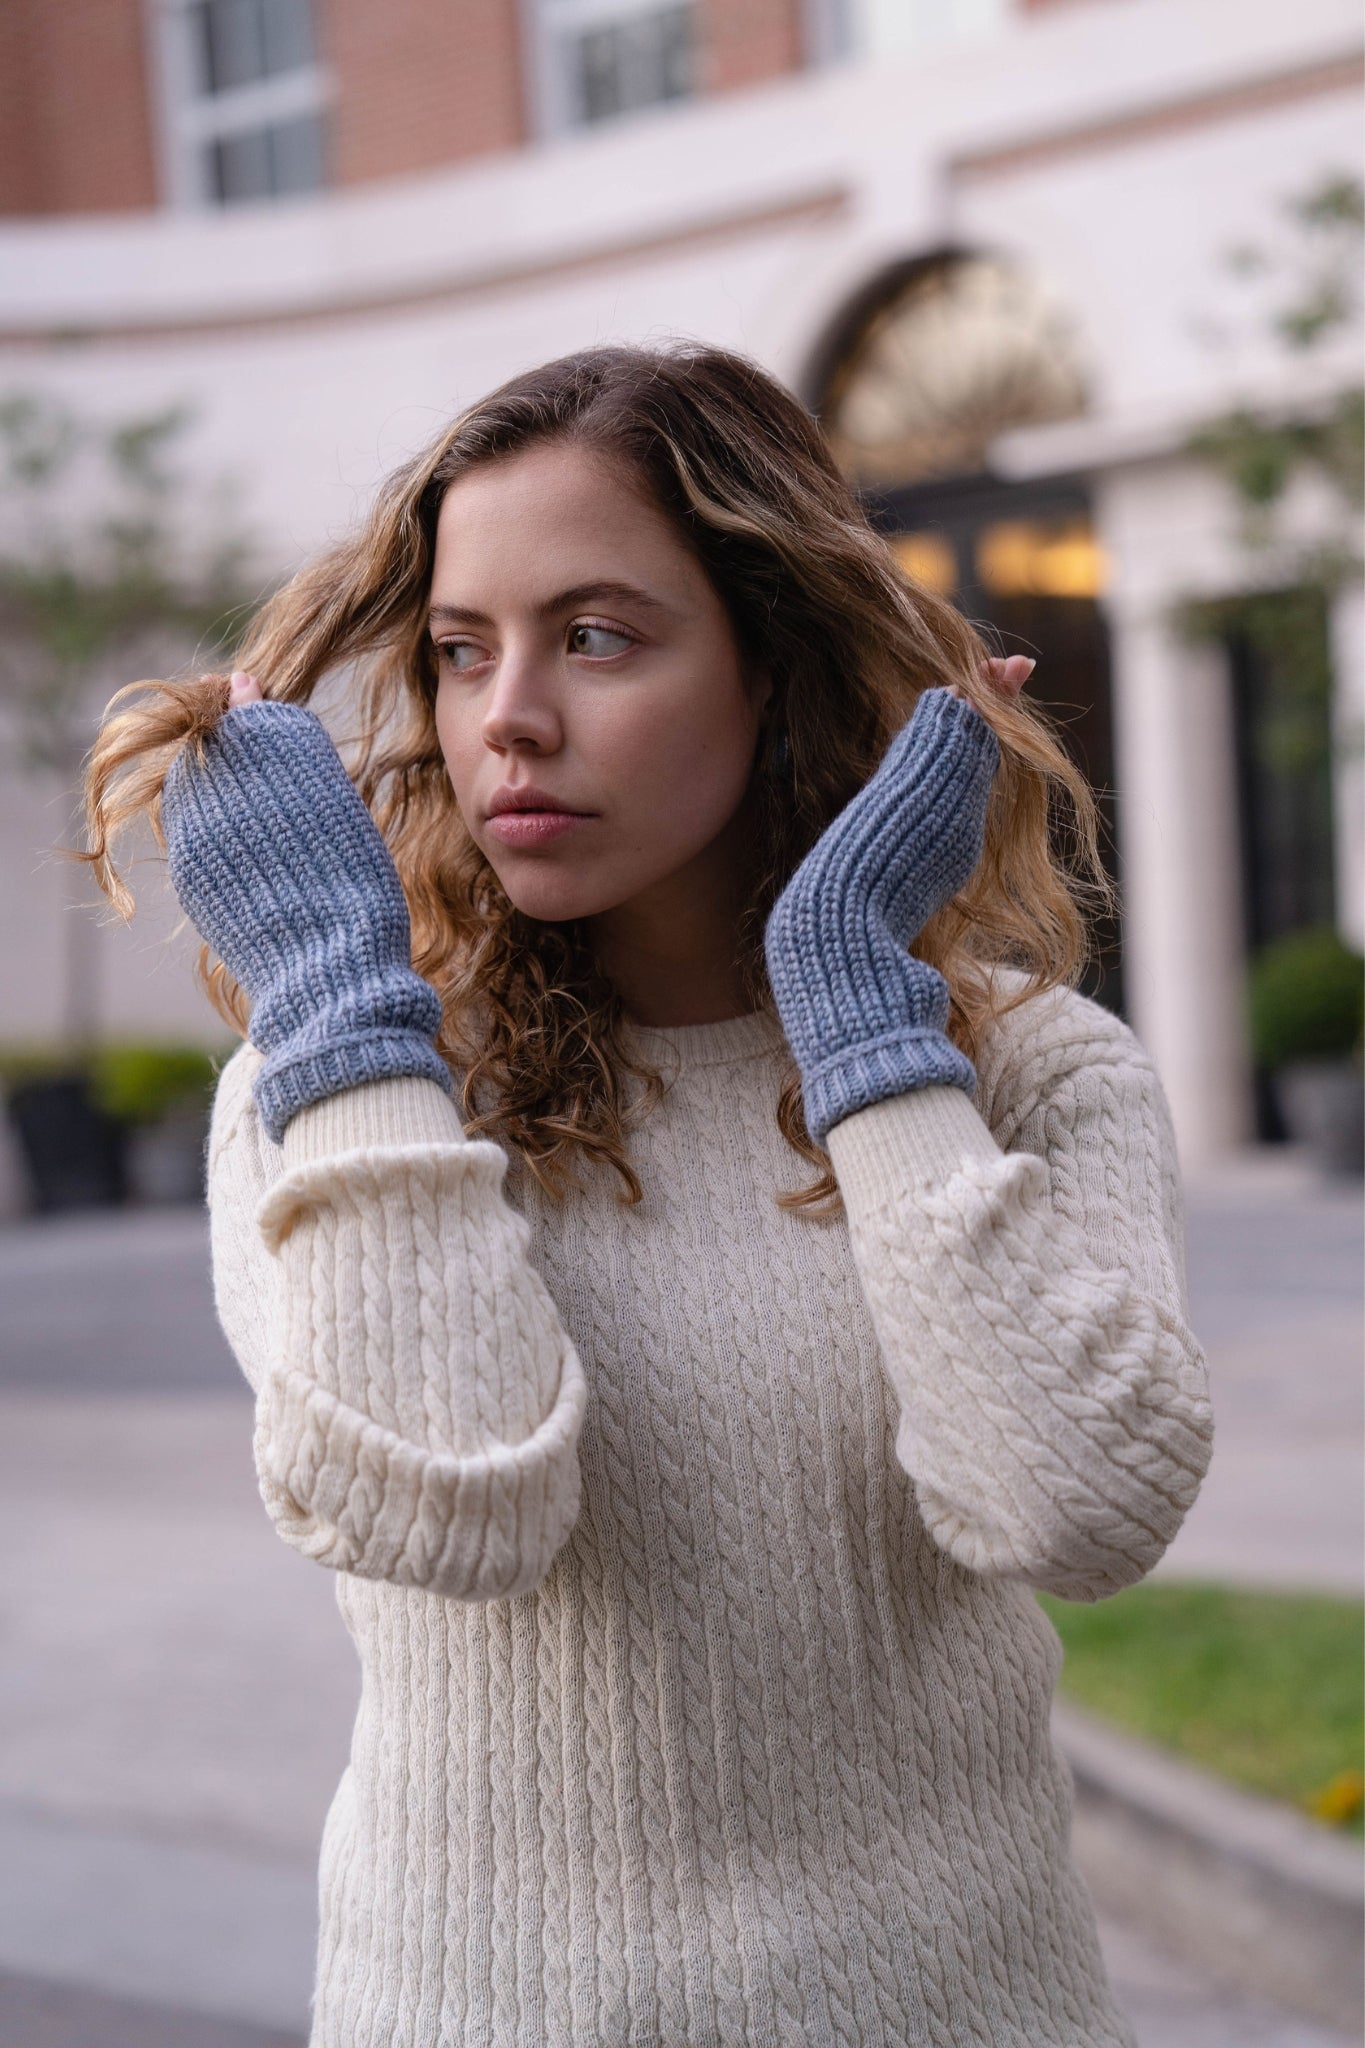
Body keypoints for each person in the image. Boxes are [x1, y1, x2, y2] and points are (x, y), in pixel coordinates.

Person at [84, 343, 1213, 2048]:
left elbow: (1077, 1514)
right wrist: (338, 999)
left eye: (594, 637)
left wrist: (855, 1014)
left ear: (773, 669)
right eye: (462, 653)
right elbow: (443, 1511)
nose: (505, 720)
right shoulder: (338, 1088)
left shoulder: (1035, 1074)